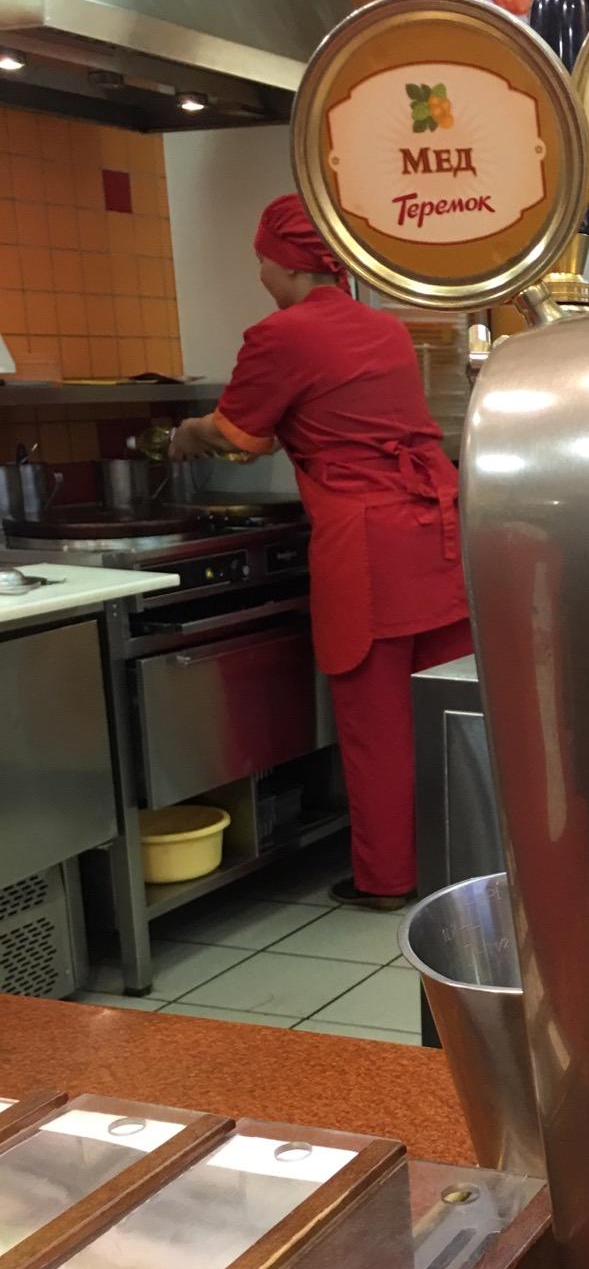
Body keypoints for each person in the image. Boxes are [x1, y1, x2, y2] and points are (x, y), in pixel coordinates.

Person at [171, 194, 471, 912]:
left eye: (261, 262)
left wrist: (186, 434)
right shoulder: (385, 328)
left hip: (367, 546)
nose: (260, 276)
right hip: (436, 530)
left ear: (285, 262)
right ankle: (461, 859)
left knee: (377, 724)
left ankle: (387, 879)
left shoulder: (283, 334)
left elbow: (241, 436)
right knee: (444, 711)